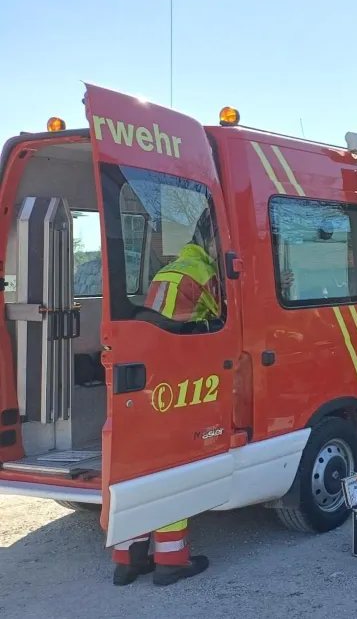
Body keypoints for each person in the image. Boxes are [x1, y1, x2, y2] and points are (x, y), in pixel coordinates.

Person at [113, 217, 219, 586]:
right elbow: (227, 315)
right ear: (211, 244)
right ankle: (172, 562)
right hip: (180, 371)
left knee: (135, 470)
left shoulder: (169, 270)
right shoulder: (204, 272)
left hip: (149, 371)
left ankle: (127, 562)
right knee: (172, 467)